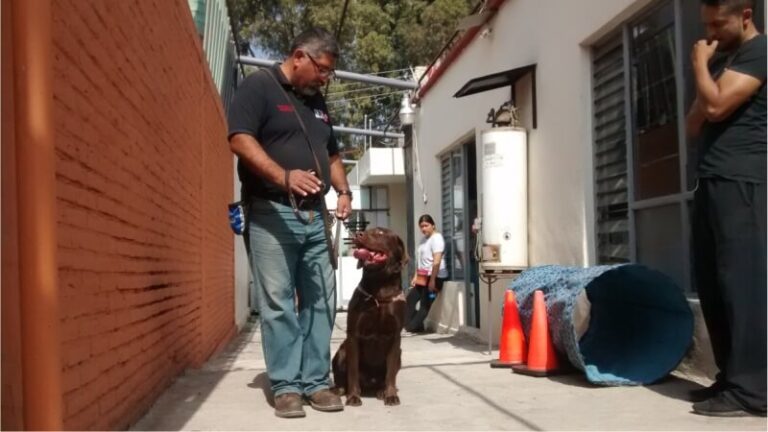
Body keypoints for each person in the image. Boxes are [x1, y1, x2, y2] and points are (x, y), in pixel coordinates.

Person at [227, 27, 352, 419]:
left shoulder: (317, 103)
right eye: (321, 69)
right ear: (299, 55)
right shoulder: (258, 88)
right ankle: (286, 386)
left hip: (316, 215)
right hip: (271, 211)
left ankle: (316, 380)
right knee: (278, 302)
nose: (324, 78)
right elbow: (239, 139)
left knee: (322, 299)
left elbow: (330, 155)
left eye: (329, 73)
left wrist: (344, 191)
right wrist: (284, 176)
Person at [685, 0, 766, 417]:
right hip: (712, 181)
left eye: (718, 23)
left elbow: (714, 107)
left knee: (743, 285)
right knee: (714, 285)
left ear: (745, 15)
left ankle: (754, 391)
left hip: (743, 180)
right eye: (706, 25)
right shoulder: (724, 61)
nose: (711, 32)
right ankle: (731, 378)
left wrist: (701, 63)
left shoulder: (760, 51)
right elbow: (693, 122)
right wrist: (709, 73)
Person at [404, 214, 449, 333]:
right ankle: (417, 326)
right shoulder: (423, 240)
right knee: (410, 299)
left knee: (425, 304)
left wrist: (433, 280)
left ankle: (411, 327)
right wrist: (415, 276)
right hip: (423, 276)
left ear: (433, 225)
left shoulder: (437, 238)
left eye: (426, 225)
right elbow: (421, 260)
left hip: (436, 276)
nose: (423, 229)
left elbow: (437, 260)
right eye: (421, 226)